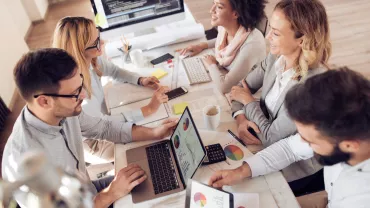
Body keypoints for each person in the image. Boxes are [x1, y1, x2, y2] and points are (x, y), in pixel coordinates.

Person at [1, 48, 178, 208]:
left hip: (89, 190)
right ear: (44, 101)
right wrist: (111, 193)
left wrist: (154, 132)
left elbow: (105, 128)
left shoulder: (63, 110)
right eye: (75, 93)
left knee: (164, 179)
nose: (84, 95)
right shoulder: (25, 163)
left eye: (81, 85)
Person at [209, 67, 370, 208]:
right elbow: (289, 148)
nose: (303, 143)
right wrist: (241, 171)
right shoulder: (347, 135)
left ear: (349, 145)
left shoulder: (361, 197)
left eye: (311, 141)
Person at [229, 0, 332, 193]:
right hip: (261, 145)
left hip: (294, 169)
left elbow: (271, 138)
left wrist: (248, 102)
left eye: (276, 33)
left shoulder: (311, 87)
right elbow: (238, 89)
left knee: (241, 192)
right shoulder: (276, 56)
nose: (267, 37)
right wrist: (241, 118)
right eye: (270, 29)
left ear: (301, 40)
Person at [52, 16, 170, 163]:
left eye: (99, 36)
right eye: (96, 42)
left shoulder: (91, 60)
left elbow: (115, 71)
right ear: (80, 50)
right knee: (149, 146)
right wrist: (148, 109)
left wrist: (140, 80)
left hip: (104, 121)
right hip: (92, 141)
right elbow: (103, 126)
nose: (102, 42)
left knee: (152, 129)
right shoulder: (75, 92)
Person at [178, 0, 267, 94]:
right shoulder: (226, 29)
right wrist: (201, 46)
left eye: (219, 7)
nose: (211, 10)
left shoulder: (252, 45)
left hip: (247, 95)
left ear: (236, 14)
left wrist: (211, 65)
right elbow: (226, 41)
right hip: (227, 75)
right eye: (214, 4)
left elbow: (224, 88)